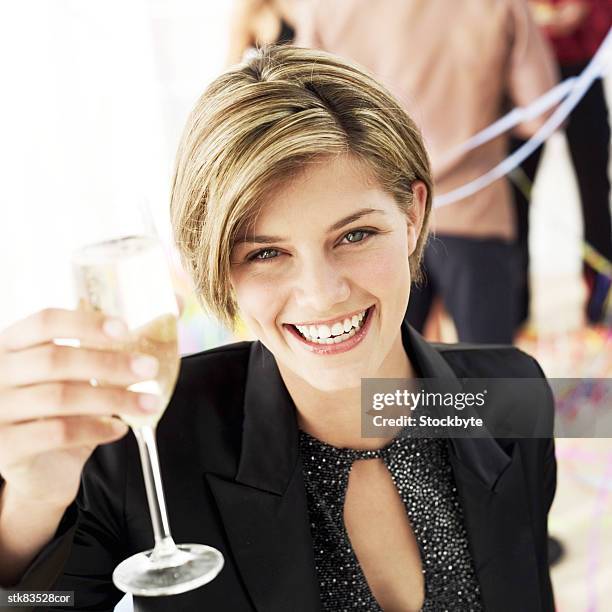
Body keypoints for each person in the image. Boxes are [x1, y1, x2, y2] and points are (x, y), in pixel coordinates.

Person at [0, 46, 556, 611]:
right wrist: (30, 506)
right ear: (215, 264)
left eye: (356, 235)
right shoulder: (141, 450)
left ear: (412, 218)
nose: (322, 293)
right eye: (266, 253)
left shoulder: (508, 398)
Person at [295, 0, 559, 344]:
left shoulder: (326, 6)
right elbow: (543, 114)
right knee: (486, 373)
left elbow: (299, 109)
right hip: (474, 210)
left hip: (370, 219)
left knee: (384, 374)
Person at [514, 0, 612, 326]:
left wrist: (584, 10)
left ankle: (600, 297)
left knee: (594, 190)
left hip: (582, 68)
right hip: (522, 72)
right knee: (516, 192)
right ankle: (516, 306)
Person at [226, 0, 296, 66]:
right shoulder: (245, 13)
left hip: (300, 68)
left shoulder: (297, 4)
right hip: (279, 74)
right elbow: (232, 62)